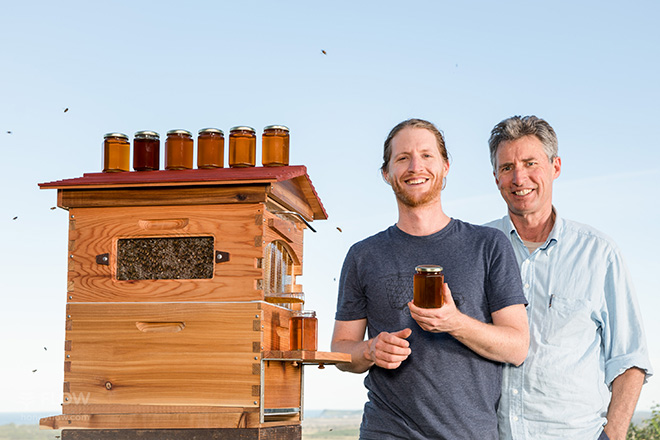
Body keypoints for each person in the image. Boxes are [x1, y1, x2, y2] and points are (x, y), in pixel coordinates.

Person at [331, 118, 529, 439]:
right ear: (386, 173)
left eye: (426, 155)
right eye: (402, 158)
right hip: (386, 430)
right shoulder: (363, 255)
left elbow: (517, 347)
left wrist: (455, 323)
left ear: (446, 166)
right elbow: (341, 350)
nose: (415, 166)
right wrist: (369, 350)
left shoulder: (489, 245)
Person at [486, 115, 653, 440]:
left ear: (555, 167)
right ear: (495, 177)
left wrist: (613, 435)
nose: (519, 177)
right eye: (507, 167)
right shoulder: (476, 249)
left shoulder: (599, 254)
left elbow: (629, 358)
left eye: (531, 163)